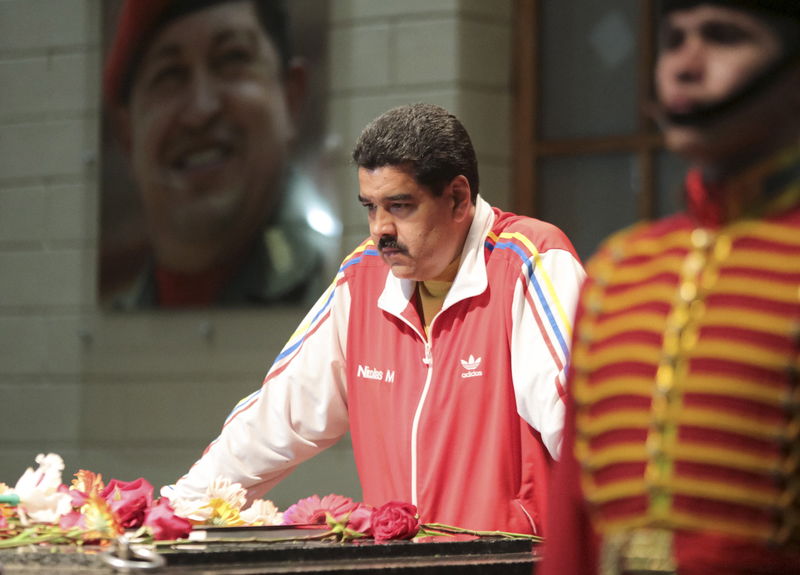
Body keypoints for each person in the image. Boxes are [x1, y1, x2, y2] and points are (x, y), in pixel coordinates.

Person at [162, 103, 586, 535]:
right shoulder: (363, 277)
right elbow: (277, 418)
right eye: (370, 207)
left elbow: (584, 431)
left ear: (458, 198)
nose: (380, 229)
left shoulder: (529, 262)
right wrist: (172, 514)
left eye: (399, 206)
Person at [542, 1, 800, 573]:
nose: (685, 65)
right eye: (674, 39)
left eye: (724, 37)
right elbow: (572, 533)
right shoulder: (618, 271)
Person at [102, 0, 337, 308]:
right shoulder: (119, 321)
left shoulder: (340, 298)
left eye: (231, 59)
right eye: (169, 75)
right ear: (127, 135)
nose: (201, 110)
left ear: (290, 97)